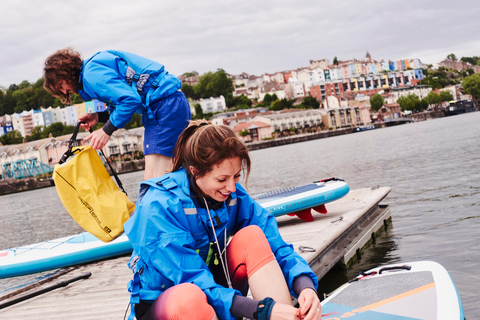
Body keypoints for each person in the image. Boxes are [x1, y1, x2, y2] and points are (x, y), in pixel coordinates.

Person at [124, 120, 322, 320]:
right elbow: (193, 279)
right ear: (195, 172)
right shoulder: (158, 207)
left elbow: (276, 246)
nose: (232, 187)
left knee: (252, 236)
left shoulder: (232, 195)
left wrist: (305, 286)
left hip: (214, 293)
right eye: (222, 179)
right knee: (190, 297)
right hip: (165, 304)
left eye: (236, 176)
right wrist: (262, 310)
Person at [43, 48, 191, 180]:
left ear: (65, 74)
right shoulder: (93, 68)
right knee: (171, 175)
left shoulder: (92, 74)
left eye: (60, 86)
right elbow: (124, 100)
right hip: (170, 103)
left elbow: (130, 100)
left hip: (164, 107)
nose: (64, 92)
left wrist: (106, 131)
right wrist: (99, 117)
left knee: (155, 180)